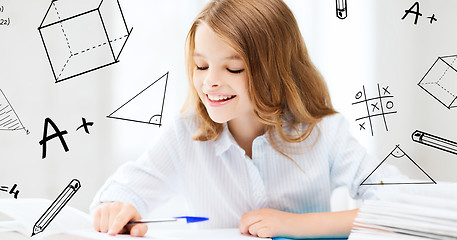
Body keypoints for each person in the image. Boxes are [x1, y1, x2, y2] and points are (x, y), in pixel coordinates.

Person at [90, 0, 384, 238]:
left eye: (233, 69)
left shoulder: (324, 132)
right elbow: (121, 192)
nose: (209, 83)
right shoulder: (187, 133)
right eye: (201, 65)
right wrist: (115, 211)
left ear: (276, 72)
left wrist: (294, 225)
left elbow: (399, 205)